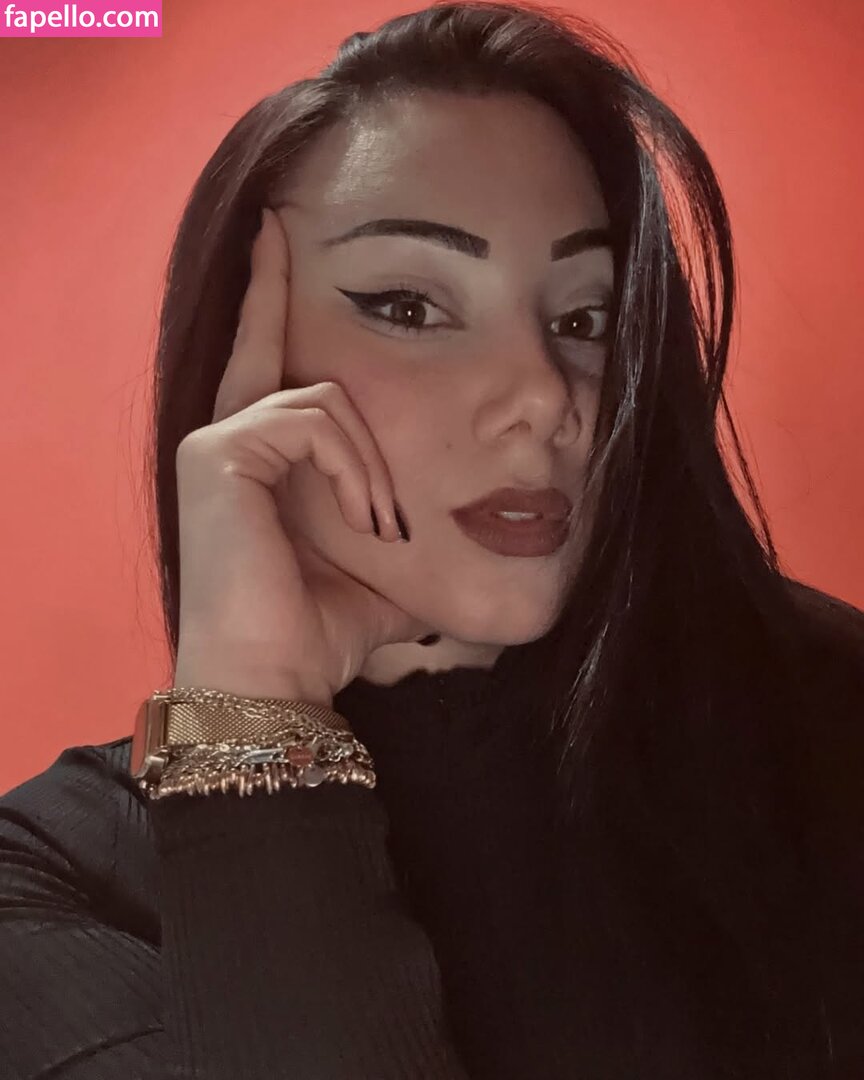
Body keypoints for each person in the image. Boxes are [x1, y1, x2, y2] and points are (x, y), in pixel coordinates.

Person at [2, 1, 863, 1077]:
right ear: (244, 360)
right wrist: (257, 711)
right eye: (408, 306)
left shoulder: (829, 717)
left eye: (585, 319)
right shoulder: (51, 883)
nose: (543, 396)